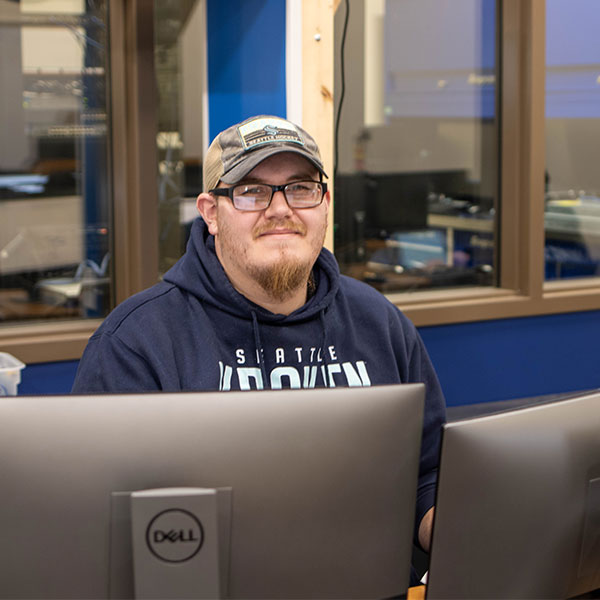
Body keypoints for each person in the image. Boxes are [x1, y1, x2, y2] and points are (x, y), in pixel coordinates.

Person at [72, 114, 446, 557]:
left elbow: (428, 475)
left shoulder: (379, 323)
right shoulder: (137, 343)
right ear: (211, 213)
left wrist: (454, 527)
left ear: (325, 203)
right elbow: (97, 527)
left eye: (301, 188)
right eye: (252, 191)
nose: (281, 208)